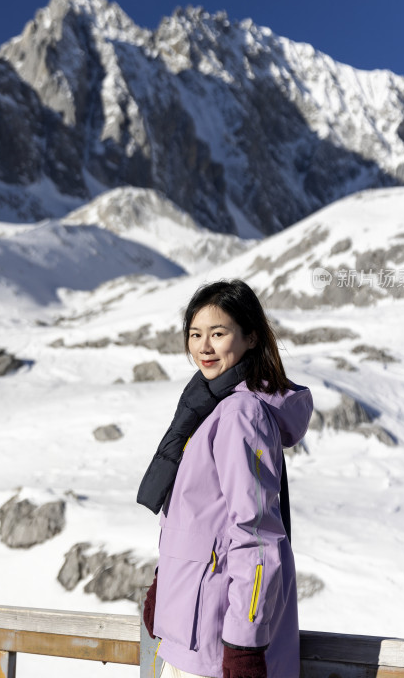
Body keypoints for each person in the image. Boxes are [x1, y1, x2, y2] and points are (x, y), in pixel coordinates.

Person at [137, 279, 313, 678]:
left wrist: (244, 645)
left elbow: (255, 534)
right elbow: (201, 521)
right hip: (188, 637)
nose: (204, 346)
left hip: (216, 647)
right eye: (196, 334)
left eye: (218, 333)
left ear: (251, 337)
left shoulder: (240, 415)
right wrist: (163, 585)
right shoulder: (208, 407)